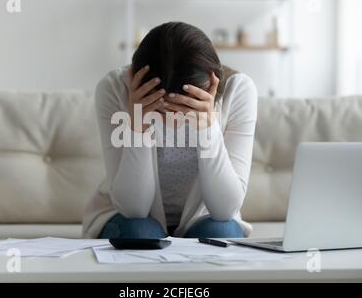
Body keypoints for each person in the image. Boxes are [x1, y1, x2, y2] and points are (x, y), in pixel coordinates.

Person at [82, 22, 258, 239]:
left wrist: (208, 130)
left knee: (223, 232)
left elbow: (225, 210)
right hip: (128, 218)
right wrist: (138, 126)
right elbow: (134, 209)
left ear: (210, 85)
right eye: (162, 112)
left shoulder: (238, 90)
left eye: (185, 109)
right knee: (141, 233)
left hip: (206, 217)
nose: (174, 124)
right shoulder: (115, 89)